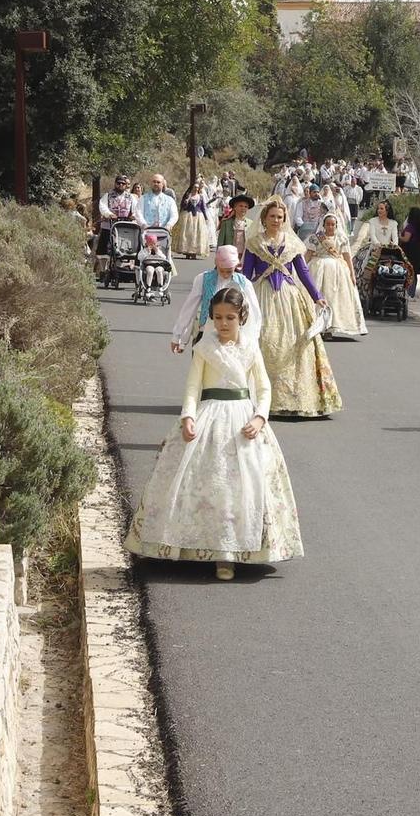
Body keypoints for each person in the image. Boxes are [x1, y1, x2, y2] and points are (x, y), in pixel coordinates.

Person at [124, 287, 304, 581]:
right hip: (209, 417)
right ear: (211, 318)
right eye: (218, 317)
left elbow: (264, 388)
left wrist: (259, 418)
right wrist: (188, 417)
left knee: (240, 487)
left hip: (242, 418)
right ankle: (187, 545)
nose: (223, 323)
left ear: (241, 317)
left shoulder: (250, 348)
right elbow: (193, 387)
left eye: (230, 318)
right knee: (203, 482)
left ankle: (228, 555)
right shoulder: (204, 348)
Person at [242, 198, 344, 418]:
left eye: (280, 217)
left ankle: (294, 398)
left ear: (284, 219)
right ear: (264, 218)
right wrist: (239, 297)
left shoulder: (293, 243)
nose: (276, 220)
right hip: (263, 296)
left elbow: (303, 272)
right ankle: (261, 399)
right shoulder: (254, 243)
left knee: (294, 345)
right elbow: (245, 275)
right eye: (272, 217)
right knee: (265, 343)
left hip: (289, 297)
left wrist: (317, 296)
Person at [170, 245, 264, 353]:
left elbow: (254, 313)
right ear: (216, 264)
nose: (224, 274)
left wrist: (253, 340)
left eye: (229, 271)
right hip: (206, 335)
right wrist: (177, 336)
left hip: (234, 339)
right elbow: (189, 309)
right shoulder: (203, 279)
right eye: (221, 270)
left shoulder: (244, 283)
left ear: (236, 266)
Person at [310, 213, 367, 338]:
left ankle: (331, 326)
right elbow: (308, 254)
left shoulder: (341, 238)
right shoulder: (316, 237)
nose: (330, 227)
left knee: (334, 298)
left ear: (336, 225)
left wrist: (352, 274)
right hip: (318, 269)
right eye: (328, 224)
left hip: (338, 271)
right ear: (324, 225)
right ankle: (317, 325)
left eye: (332, 224)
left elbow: (347, 257)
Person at [400, 203, 420, 298]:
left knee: (409, 271)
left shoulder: (410, 226)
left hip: (410, 250)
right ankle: (412, 292)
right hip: (418, 249)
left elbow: (406, 239)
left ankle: (408, 292)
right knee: (414, 272)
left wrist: (398, 236)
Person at [174, 184, 212, 259]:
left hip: (198, 216)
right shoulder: (188, 196)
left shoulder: (200, 197)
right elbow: (183, 206)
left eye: (197, 188)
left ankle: (194, 252)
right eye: (194, 187)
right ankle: (187, 251)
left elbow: (203, 207)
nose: (196, 189)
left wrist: (205, 217)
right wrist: (186, 201)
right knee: (188, 233)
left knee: (196, 233)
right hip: (188, 215)